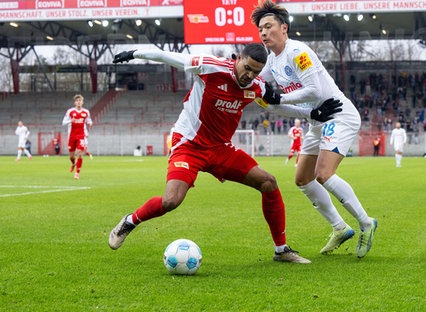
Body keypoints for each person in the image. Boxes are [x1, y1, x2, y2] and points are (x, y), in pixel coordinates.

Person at [108, 43, 341, 264]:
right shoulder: (211, 67)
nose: (249, 75)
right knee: (171, 201)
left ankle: (281, 250)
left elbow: (274, 106)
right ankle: (130, 221)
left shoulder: (256, 86)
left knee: (269, 182)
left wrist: (313, 114)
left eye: (255, 71)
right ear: (238, 58)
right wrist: (135, 53)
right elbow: (166, 56)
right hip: (189, 145)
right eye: (247, 67)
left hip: (220, 149)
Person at [252, 0, 378, 259]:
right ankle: (339, 227)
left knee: (323, 173)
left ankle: (366, 222)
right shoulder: (272, 62)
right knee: (302, 179)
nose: (263, 33)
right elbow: (263, 93)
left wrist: (279, 98)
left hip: (338, 115)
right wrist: (259, 92)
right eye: (260, 29)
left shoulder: (298, 52)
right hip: (318, 119)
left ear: (284, 27)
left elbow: (315, 90)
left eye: (268, 26)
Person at [62, 94, 92, 179]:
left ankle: (77, 173)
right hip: (72, 135)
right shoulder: (70, 111)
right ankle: (73, 163)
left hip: (81, 135)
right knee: (71, 156)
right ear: (75, 102)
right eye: (77, 101)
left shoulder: (86, 112)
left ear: (82, 102)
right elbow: (63, 122)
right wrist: (70, 120)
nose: (79, 102)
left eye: (80, 101)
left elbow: (89, 120)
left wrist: (90, 123)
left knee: (79, 153)